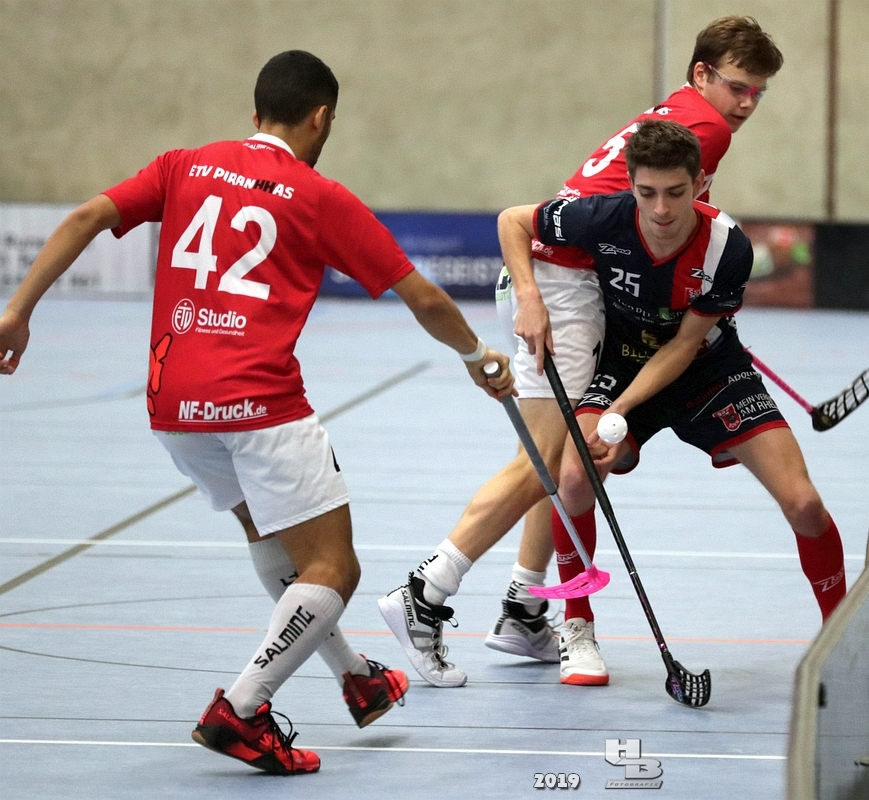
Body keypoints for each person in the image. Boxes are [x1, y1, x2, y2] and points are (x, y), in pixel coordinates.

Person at [0, 50, 513, 774]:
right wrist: (477, 355)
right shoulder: (318, 196)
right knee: (333, 567)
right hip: (260, 403)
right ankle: (242, 708)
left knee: (270, 535)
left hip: (173, 406)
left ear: (255, 113)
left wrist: (18, 311)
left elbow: (87, 215)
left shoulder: (183, 165)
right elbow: (423, 297)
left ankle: (356, 676)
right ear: (321, 117)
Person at [378, 16, 787, 689]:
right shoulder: (705, 132)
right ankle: (425, 592)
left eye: (758, 93)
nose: (746, 104)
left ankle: (524, 607)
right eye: (738, 87)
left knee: (557, 460)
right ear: (702, 75)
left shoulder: (676, 112)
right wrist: (539, 295)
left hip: (570, 281)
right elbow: (662, 224)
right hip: (563, 287)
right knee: (545, 461)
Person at [496, 119, 847, 686]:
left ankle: (842, 633)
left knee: (804, 502)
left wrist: (618, 412)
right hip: (622, 364)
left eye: (676, 193)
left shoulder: (728, 247)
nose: (661, 209)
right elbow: (512, 220)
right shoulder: (602, 216)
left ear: (700, 183)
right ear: (630, 184)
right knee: (575, 477)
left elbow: (684, 347)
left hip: (707, 370)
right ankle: (577, 627)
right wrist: (529, 295)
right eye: (647, 192)